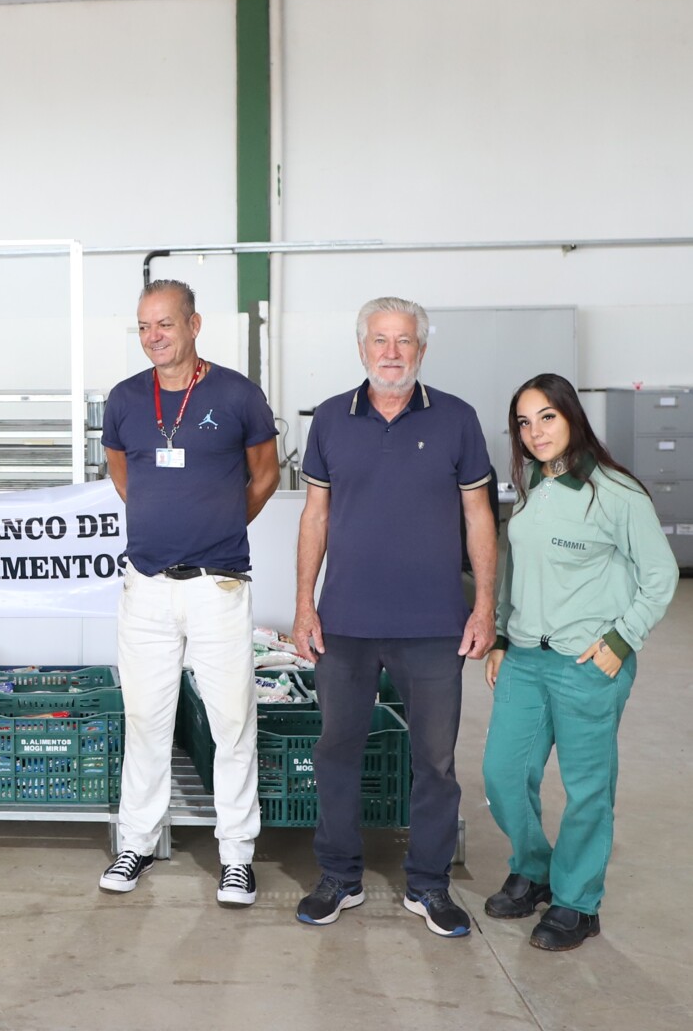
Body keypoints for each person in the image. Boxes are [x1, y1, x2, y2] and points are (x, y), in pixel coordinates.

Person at [293, 296, 497, 938]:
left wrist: (485, 606)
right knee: (336, 751)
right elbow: (315, 516)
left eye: (403, 340)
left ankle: (430, 886)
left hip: (435, 624)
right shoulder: (328, 419)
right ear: (361, 348)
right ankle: (339, 877)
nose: (391, 351)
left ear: (421, 349)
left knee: (435, 761)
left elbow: (479, 517)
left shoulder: (458, 419)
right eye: (379, 340)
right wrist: (304, 602)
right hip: (346, 622)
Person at [97, 280, 279, 907]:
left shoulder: (236, 394)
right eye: (145, 326)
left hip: (218, 586)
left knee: (231, 721)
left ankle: (236, 855)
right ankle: (137, 843)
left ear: (194, 324)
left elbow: (265, 472)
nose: (154, 337)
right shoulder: (124, 399)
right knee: (145, 719)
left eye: (166, 324)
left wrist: (221, 524)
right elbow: (124, 473)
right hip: (145, 586)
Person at [481, 374, 677, 951]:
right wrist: (498, 636)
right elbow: (516, 566)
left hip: (587, 664)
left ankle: (577, 902)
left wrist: (621, 640)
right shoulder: (535, 482)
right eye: (524, 421)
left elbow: (661, 576)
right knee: (503, 775)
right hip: (524, 657)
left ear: (572, 419)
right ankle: (534, 868)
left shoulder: (616, 493)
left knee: (587, 789)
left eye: (547, 418)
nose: (535, 432)